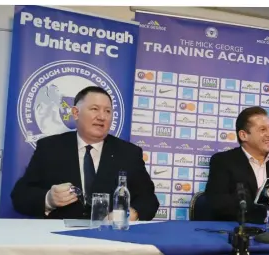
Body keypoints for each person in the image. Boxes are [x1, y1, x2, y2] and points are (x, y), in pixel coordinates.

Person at [11, 86, 160, 220]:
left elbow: (148, 200)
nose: (102, 117)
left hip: (111, 240)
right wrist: (48, 199)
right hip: (59, 241)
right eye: (94, 109)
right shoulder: (50, 148)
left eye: (107, 111)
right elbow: (20, 195)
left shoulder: (129, 153)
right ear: (76, 113)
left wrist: (130, 214)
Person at [205, 106, 269, 223]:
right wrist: (266, 211)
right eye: (263, 130)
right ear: (243, 135)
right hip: (239, 232)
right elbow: (217, 203)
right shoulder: (223, 161)